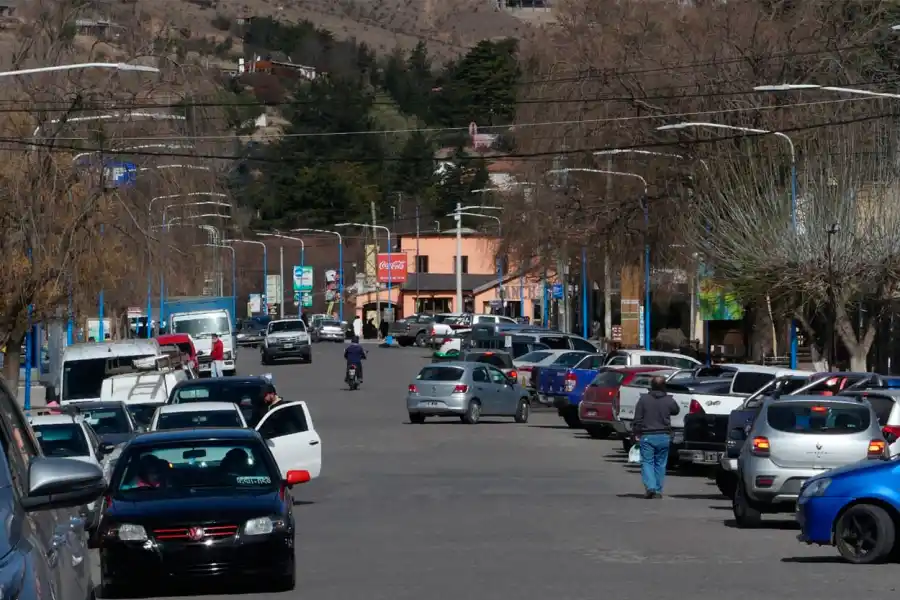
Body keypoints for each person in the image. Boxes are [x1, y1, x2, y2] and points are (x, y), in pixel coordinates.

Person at [632, 376, 680, 499]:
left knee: (647, 462)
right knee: (660, 464)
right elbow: (676, 410)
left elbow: (637, 418)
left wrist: (636, 432)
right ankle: (658, 490)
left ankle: (651, 487)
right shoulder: (669, 400)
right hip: (664, 436)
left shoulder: (643, 400)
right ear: (664, 386)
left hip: (648, 435)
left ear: (651, 386)